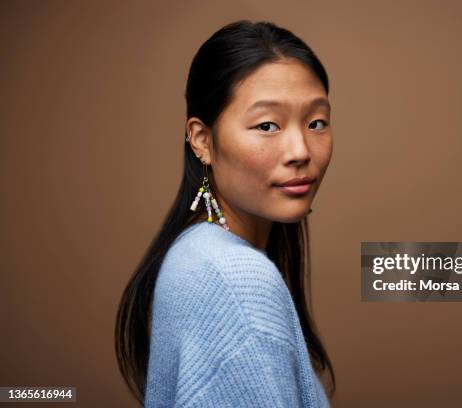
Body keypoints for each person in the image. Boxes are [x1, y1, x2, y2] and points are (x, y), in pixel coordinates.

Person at [115, 19, 336, 407]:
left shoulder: (196, 254)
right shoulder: (235, 279)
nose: (301, 150)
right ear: (202, 140)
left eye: (316, 122)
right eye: (267, 125)